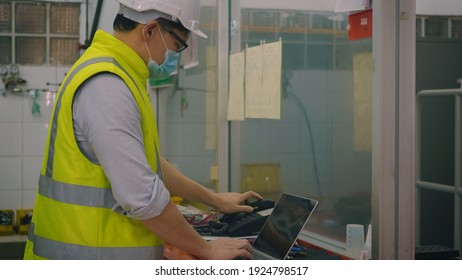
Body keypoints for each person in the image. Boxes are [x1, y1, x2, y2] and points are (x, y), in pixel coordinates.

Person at [23, 0, 262, 260]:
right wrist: (207, 250)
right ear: (149, 30)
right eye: (179, 44)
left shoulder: (121, 74)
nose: (175, 56)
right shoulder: (107, 84)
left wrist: (214, 199)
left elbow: (147, 163)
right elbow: (142, 195)